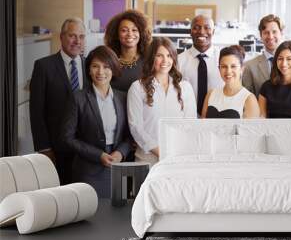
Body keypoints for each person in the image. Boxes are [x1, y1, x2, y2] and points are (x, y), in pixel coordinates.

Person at [62, 45, 132, 198]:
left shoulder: (123, 98)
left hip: (120, 166)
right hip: (88, 169)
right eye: (95, 66)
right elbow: (68, 137)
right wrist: (98, 155)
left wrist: (121, 153)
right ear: (88, 70)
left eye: (106, 66)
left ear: (113, 69)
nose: (100, 72)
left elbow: (129, 135)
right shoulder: (78, 98)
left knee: (122, 216)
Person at [29, 17, 88, 184]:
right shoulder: (43, 66)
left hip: (86, 148)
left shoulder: (91, 66)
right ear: (61, 37)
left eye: (81, 37)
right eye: (72, 36)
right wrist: (44, 148)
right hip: (56, 148)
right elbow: (36, 112)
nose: (77, 41)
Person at [128, 37, 197, 165]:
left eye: (169, 55)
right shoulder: (137, 87)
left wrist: (175, 151)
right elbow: (136, 127)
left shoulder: (185, 87)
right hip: (146, 160)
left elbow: (191, 124)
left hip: (178, 158)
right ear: (151, 58)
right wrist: (161, 152)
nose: (165, 60)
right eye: (159, 55)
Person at [178, 15, 224, 115]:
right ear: (190, 31)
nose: (202, 32)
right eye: (196, 28)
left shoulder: (224, 60)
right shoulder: (178, 61)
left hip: (217, 118)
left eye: (207, 28)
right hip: (186, 118)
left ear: (213, 32)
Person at [201, 45, 259, 118]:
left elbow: (251, 129)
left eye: (233, 66)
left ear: (242, 69)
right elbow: (202, 126)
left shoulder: (249, 99)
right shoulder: (210, 94)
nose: (228, 71)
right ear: (219, 69)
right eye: (224, 66)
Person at [104, 9, 152, 92]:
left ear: (141, 34)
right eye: (124, 30)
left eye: (134, 30)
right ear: (116, 34)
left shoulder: (149, 60)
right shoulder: (108, 60)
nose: (130, 34)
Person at [242, 14, 284, 97]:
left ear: (281, 33)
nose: (270, 36)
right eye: (266, 33)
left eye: (274, 32)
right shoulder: (249, 66)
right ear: (261, 36)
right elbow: (248, 100)